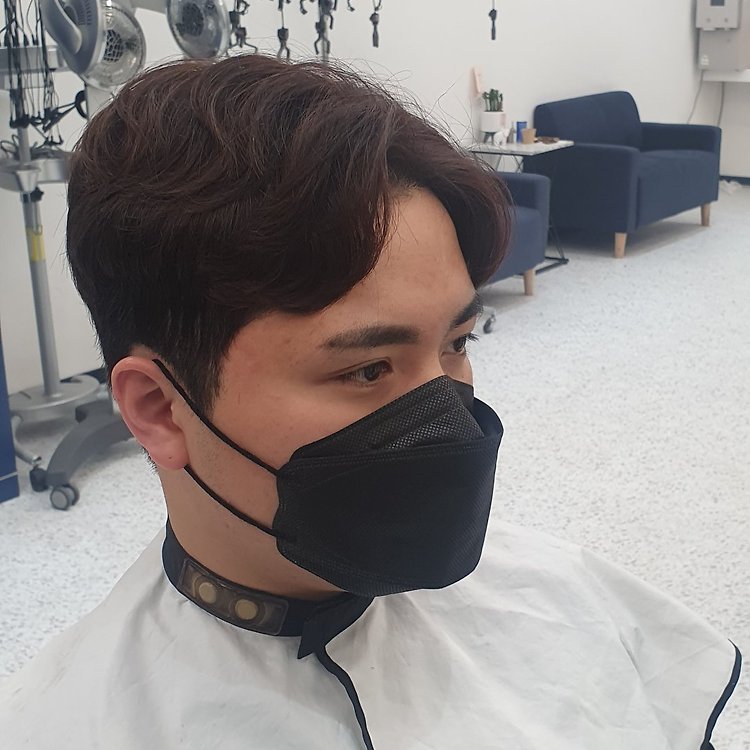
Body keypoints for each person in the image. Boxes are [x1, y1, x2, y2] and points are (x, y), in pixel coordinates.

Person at [0, 54, 740, 749]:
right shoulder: (65, 723)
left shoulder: (561, 595)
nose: (447, 423)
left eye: (456, 343)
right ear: (160, 409)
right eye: (367, 370)